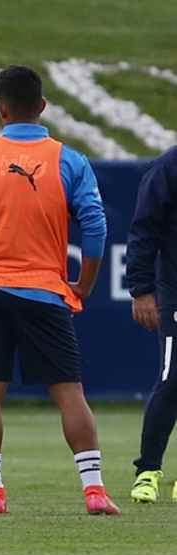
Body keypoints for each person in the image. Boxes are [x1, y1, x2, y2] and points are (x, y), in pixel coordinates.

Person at [0, 65, 117, 515]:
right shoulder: (70, 160)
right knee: (69, 392)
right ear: (42, 106)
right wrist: (84, 284)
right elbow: (95, 227)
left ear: (1, 110)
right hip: (44, 291)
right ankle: (94, 491)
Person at [126, 146, 177, 503]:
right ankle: (148, 471)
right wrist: (142, 289)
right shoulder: (169, 167)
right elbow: (143, 229)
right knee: (172, 377)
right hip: (175, 290)